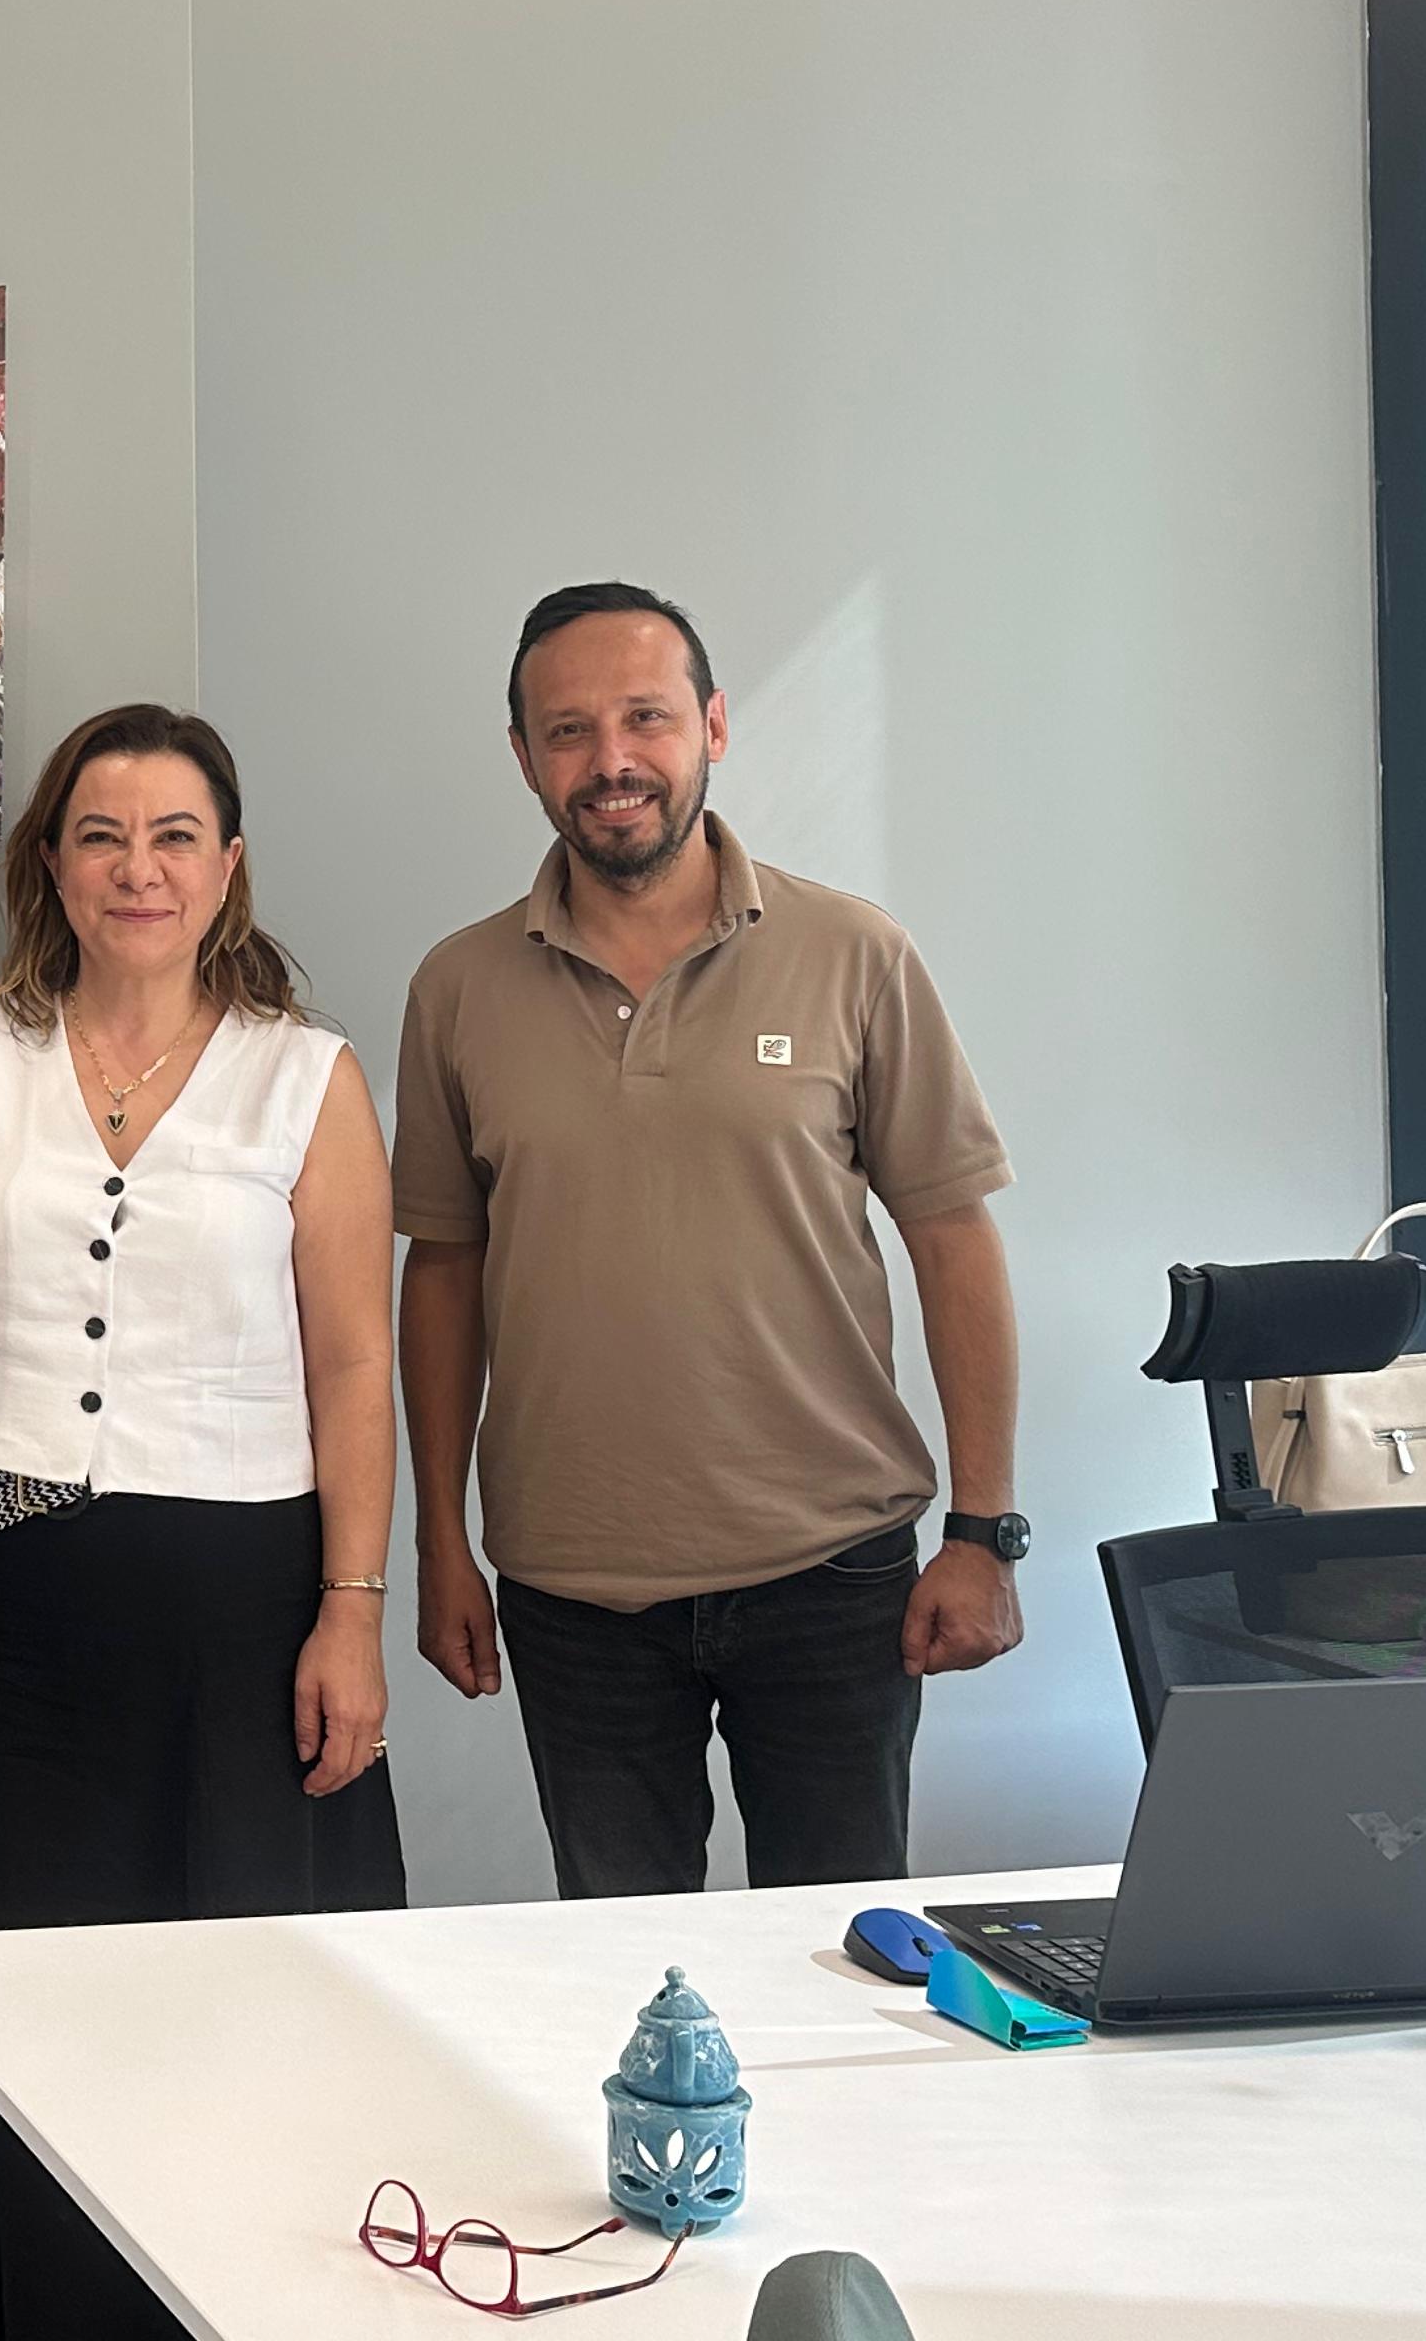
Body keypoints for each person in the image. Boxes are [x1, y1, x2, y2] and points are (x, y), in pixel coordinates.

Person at [0, 702, 403, 2341]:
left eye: (174, 837)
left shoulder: (304, 1074)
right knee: (20, 1974)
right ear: (51, 862)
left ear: (227, 867)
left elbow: (355, 1356)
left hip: (241, 1600)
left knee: (231, 1974)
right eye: (101, 835)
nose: (137, 868)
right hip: (4, 1587)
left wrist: (352, 1606)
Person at [395, 582, 1027, 1902]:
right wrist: (439, 1539)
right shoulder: (458, 988)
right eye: (568, 730)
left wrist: (984, 1530)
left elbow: (952, 1236)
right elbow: (443, 1270)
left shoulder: (854, 955)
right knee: (628, 1972)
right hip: (572, 1587)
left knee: (842, 1957)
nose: (611, 760)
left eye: (647, 718)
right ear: (523, 755)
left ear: (714, 727)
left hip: (832, 1570)